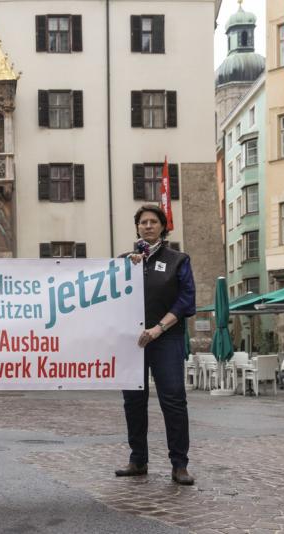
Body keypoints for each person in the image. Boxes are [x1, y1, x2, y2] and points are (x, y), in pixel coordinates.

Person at [116, 204, 196, 485]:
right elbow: (109, 298)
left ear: (163, 226)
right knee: (133, 402)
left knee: (173, 399)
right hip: (133, 342)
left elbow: (186, 300)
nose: (148, 226)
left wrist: (158, 328)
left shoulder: (178, 260)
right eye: (143, 222)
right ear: (137, 227)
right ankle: (138, 460)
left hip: (167, 338)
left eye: (153, 221)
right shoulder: (125, 261)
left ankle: (179, 464)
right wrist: (128, 268)